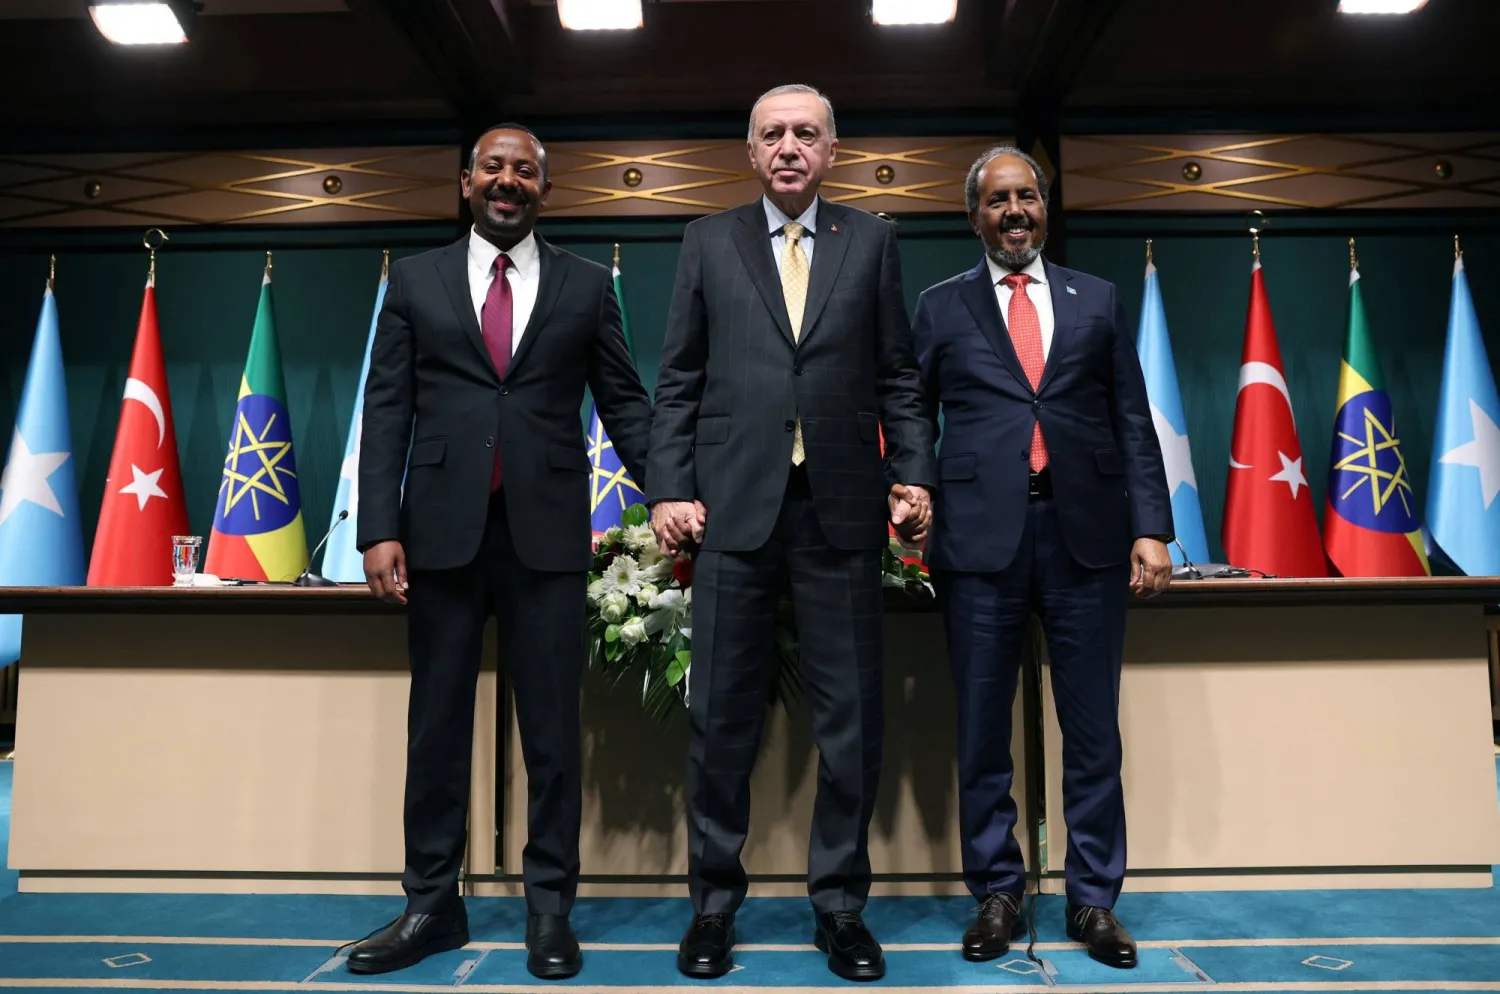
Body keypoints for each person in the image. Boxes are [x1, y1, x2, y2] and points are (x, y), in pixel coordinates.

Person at [647, 83, 936, 983]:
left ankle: (841, 908)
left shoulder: (874, 240)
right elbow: (680, 378)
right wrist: (669, 488)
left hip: (842, 510)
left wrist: (915, 471)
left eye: (805, 133)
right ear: (749, 151)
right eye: (772, 133)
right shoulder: (708, 240)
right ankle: (712, 908)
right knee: (721, 720)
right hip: (732, 512)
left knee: (850, 723)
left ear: (832, 150)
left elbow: (897, 374)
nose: (788, 147)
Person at [350, 123, 653, 978]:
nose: (508, 180)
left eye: (525, 170)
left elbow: (625, 405)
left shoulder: (589, 287)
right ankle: (430, 906)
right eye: (494, 167)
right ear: (465, 182)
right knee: (436, 729)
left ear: (545, 191)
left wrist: (671, 489)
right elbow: (387, 410)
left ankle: (550, 909)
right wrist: (379, 526)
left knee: (553, 735)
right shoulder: (414, 281)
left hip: (548, 539)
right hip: (439, 536)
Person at [911, 146, 1173, 970]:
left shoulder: (1095, 298)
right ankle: (997, 891)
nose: (1015, 211)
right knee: (983, 729)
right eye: (998, 200)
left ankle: (1093, 901)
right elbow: (911, 415)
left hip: (1085, 536)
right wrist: (909, 492)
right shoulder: (939, 306)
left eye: (1028, 196)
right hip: (977, 541)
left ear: (1045, 209)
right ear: (973, 215)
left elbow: (1130, 414)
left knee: (1092, 731)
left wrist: (1153, 526)